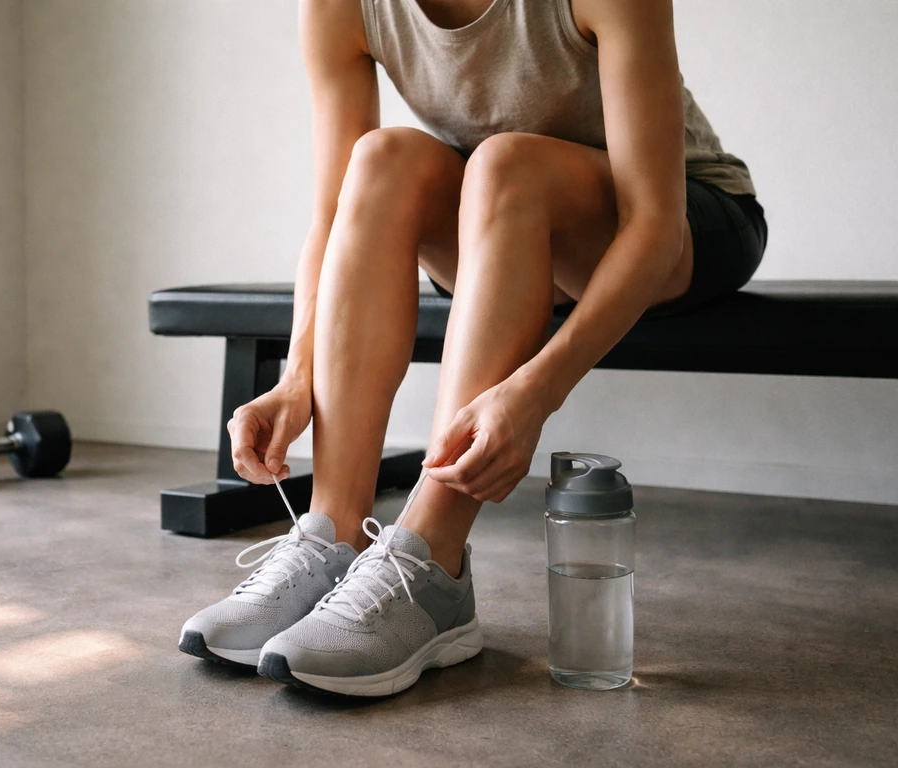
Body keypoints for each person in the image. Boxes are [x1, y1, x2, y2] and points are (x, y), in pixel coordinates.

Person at [179, 0, 767, 696]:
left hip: (681, 226)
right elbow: (333, 216)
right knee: (382, 159)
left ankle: (433, 562)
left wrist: (536, 391)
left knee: (507, 162)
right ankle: (336, 537)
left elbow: (655, 224)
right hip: (505, 220)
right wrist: (297, 375)